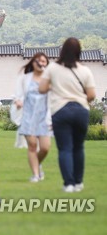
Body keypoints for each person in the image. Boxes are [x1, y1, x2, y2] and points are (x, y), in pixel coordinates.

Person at [39, 38, 96, 193]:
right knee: (78, 147)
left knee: (65, 149)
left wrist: (55, 86)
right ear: (79, 51)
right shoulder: (85, 70)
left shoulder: (53, 68)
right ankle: (78, 183)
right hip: (81, 111)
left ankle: (68, 184)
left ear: (62, 51)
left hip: (60, 110)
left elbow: (42, 89)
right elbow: (91, 95)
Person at [14, 52, 51, 182]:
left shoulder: (49, 80)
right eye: (38, 61)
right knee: (32, 146)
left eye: (43, 61)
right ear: (33, 63)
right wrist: (18, 102)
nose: (41, 63)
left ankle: (37, 163)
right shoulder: (25, 78)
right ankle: (35, 175)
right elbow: (17, 95)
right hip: (28, 117)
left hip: (43, 118)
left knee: (45, 148)